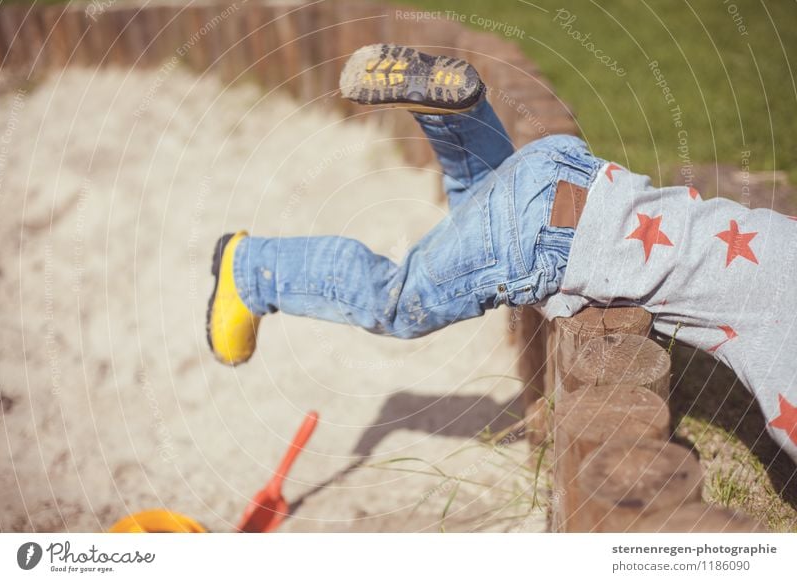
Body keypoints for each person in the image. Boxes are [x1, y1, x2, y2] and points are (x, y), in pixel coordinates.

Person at [205, 44, 797, 464]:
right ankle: (252, 269)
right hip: (544, 241)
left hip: (570, 172)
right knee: (398, 301)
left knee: (483, 209)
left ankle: (451, 114)